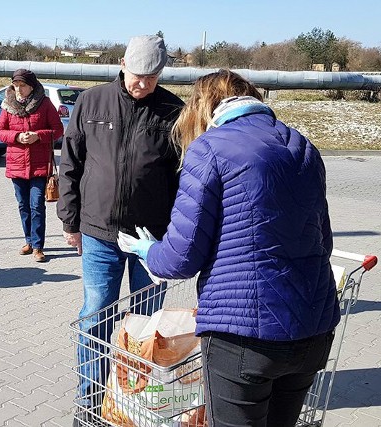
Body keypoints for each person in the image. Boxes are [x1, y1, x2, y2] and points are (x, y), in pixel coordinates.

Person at [123, 69, 341, 427]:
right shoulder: (303, 146)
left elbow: (180, 257)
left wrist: (149, 251)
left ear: (203, 107)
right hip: (313, 328)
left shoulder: (210, 148)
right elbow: (323, 240)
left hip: (243, 336)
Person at [56, 35, 185, 423]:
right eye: (135, 74)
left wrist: (178, 235)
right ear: (122, 64)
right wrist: (69, 220)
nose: (141, 83)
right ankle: (90, 402)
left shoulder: (174, 111)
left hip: (152, 241)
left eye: (151, 76)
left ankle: (136, 402)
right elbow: (71, 163)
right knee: (96, 316)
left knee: (147, 325)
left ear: (160, 73)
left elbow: (182, 179)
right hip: (98, 233)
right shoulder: (92, 101)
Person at [0, 69, 64, 262]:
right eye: (16, 85)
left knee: (36, 205)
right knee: (23, 205)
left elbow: (58, 130)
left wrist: (38, 136)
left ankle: (38, 246)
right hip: (16, 165)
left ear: (31, 86)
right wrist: (16, 136)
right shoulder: (8, 105)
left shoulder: (45, 104)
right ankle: (29, 241)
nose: (18, 89)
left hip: (39, 165)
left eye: (22, 86)